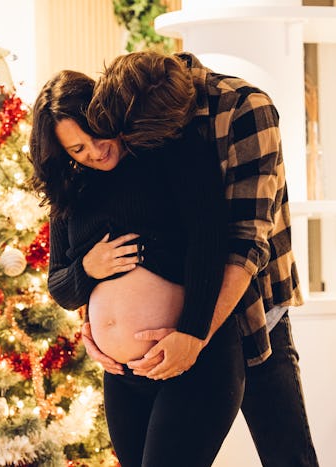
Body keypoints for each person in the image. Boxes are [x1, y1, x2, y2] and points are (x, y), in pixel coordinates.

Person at [83, 51, 319, 467]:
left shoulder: (246, 108)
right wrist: (92, 320)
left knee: (287, 454)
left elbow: (245, 240)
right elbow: (109, 219)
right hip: (163, 328)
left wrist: (195, 334)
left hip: (249, 310)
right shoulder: (126, 105)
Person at [29, 68, 244, 467]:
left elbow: (209, 242)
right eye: (76, 150)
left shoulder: (167, 151)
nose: (94, 151)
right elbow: (60, 287)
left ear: (107, 116)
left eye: (96, 134)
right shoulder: (72, 191)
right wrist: (88, 268)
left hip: (190, 360)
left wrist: (194, 332)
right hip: (122, 377)